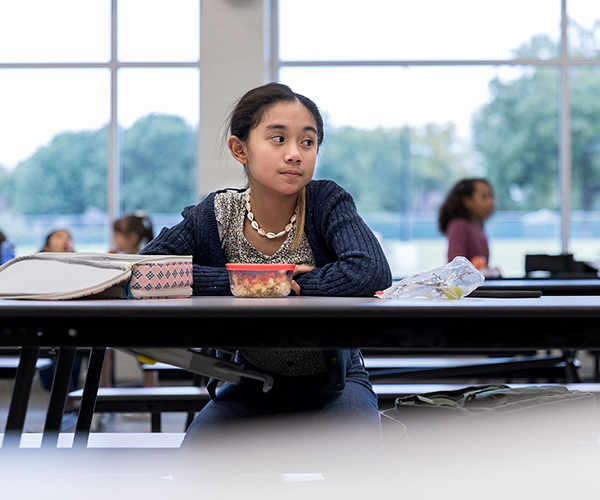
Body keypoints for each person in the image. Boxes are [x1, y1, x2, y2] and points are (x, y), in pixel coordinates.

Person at [140, 82, 392, 472]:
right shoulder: (215, 214)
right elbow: (146, 270)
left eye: (307, 143)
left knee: (357, 470)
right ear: (240, 149)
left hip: (334, 386)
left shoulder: (326, 201)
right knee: (195, 468)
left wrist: (295, 287)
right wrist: (255, 282)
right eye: (278, 139)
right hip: (249, 383)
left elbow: (371, 271)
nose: (295, 154)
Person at [438, 178, 500, 278]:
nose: (491, 202)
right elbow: (456, 268)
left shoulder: (478, 226)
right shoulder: (459, 225)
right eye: (484, 197)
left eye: (491, 196)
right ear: (467, 201)